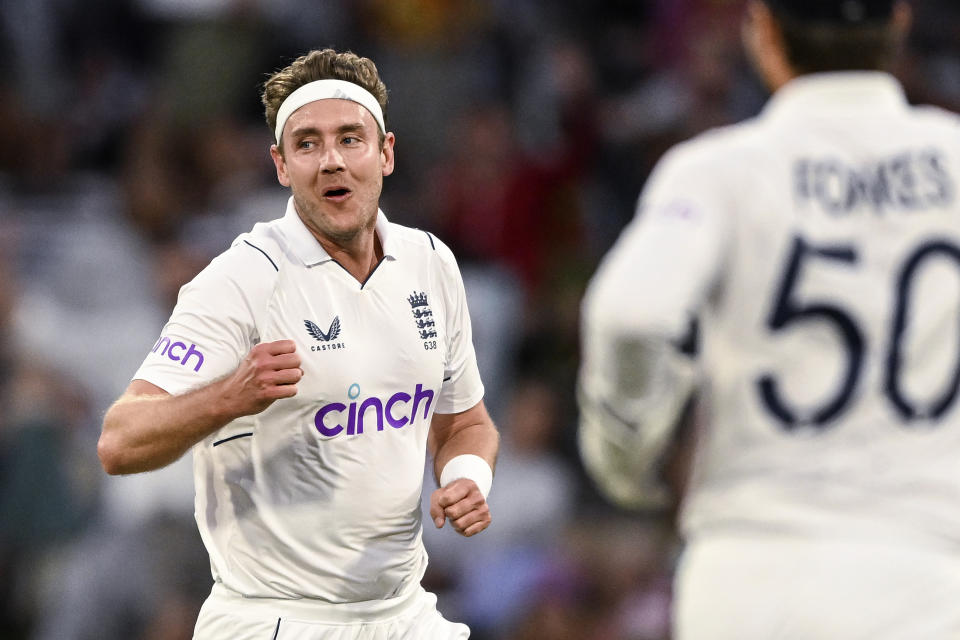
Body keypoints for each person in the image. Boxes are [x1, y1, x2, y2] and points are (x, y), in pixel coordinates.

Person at [577, 1, 960, 638]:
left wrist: (624, 458)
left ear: (764, 32)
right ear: (899, 21)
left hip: (751, 570)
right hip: (920, 572)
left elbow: (631, 313)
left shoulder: (716, 170)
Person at [98, 48, 499, 640]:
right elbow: (119, 441)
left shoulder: (430, 262)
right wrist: (227, 396)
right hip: (276, 618)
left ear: (386, 152)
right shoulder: (241, 280)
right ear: (281, 165)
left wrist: (466, 477)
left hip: (404, 613)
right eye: (307, 144)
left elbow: (465, 420)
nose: (331, 161)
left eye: (350, 139)